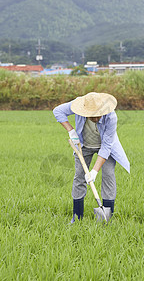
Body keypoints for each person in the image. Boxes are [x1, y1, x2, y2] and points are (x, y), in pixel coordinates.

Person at [53, 92, 130, 223]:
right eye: (92, 116)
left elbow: (106, 147)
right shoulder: (78, 105)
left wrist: (94, 171)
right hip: (84, 146)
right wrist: (71, 130)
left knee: (108, 175)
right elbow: (58, 111)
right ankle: (77, 217)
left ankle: (107, 217)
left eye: (97, 115)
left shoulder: (111, 117)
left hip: (106, 147)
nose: (96, 119)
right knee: (79, 177)